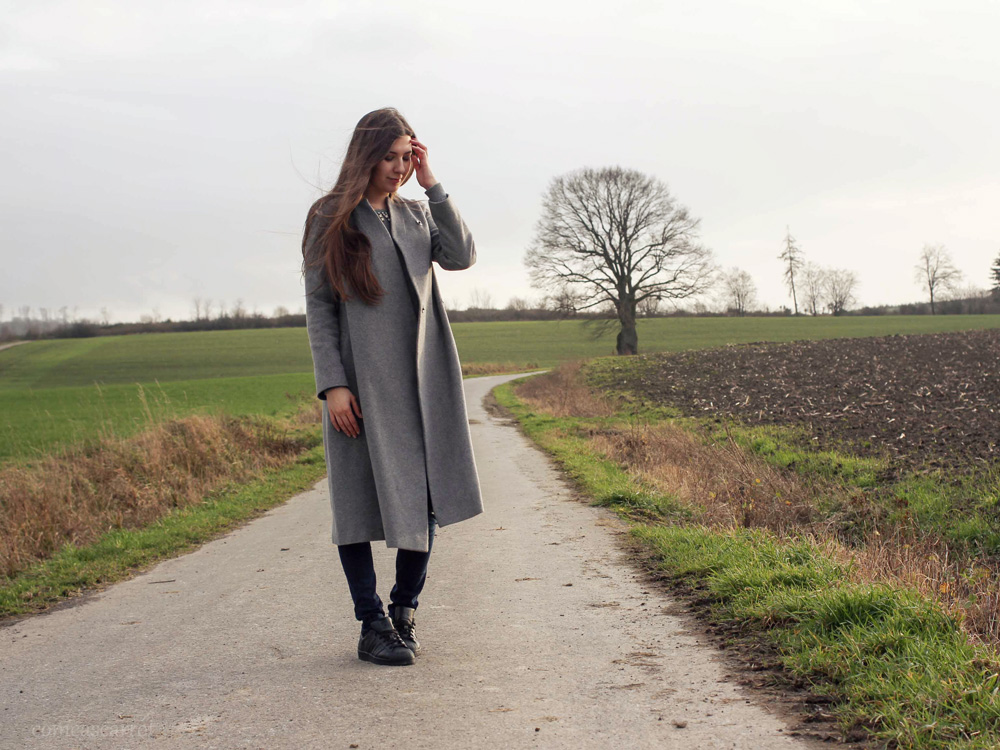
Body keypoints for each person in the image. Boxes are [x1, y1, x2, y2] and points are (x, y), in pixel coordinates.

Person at [301, 108, 484, 667]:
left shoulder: (415, 212)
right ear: (365, 155)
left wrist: (434, 187)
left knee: (424, 495)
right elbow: (319, 305)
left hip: (423, 382)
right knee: (356, 500)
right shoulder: (330, 216)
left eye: (408, 157)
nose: (399, 168)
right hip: (359, 384)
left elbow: (461, 257)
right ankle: (370, 621)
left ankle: (404, 610)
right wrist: (332, 384)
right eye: (390, 157)